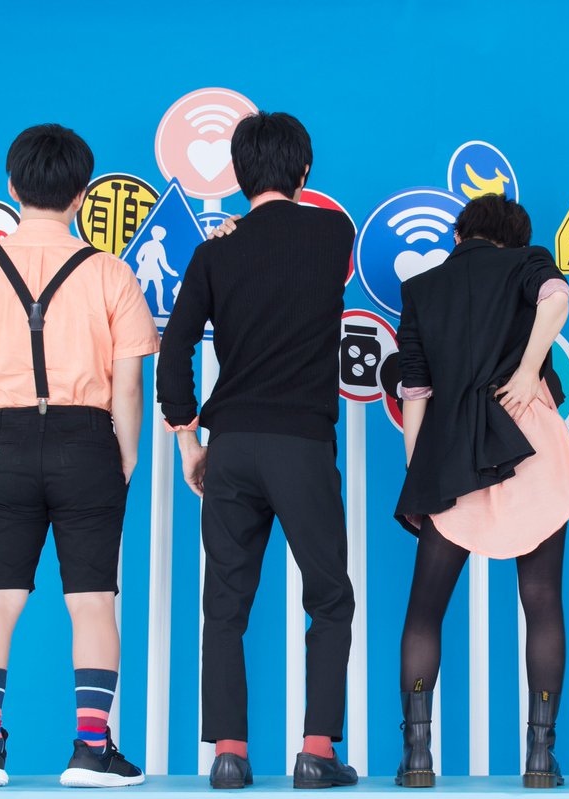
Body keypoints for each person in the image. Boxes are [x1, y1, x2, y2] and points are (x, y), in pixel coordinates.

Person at [0, 124, 158, 788]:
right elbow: (129, 384)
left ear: (11, 186)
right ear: (82, 194)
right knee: (92, 602)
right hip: (90, 441)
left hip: (5, 438)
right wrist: (126, 455)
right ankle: (91, 750)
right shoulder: (110, 271)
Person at [157, 111, 359, 790]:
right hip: (301, 444)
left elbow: (174, 349)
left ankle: (229, 754)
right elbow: (300, 232)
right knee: (328, 598)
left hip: (232, 445)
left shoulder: (214, 252)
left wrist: (188, 440)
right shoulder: (334, 232)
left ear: (238, 175)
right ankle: (316, 752)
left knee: (224, 605)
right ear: (304, 171)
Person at [394, 194, 569, 789]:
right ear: (514, 237)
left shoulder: (423, 288)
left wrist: (418, 471)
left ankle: (417, 758)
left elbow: (415, 390)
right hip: (527, 437)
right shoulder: (527, 261)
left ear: (460, 235)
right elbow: (557, 297)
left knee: (425, 611)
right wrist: (527, 372)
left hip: (449, 451)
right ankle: (540, 758)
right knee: (543, 601)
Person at [134, 225, 178, 315]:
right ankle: (132, 307)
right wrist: (143, 265)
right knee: (143, 289)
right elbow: (139, 257)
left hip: (154, 269)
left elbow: (163, 263)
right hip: (147, 269)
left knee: (159, 288)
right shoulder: (151, 245)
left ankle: (161, 309)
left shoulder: (157, 246)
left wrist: (171, 272)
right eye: (162, 234)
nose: (163, 236)